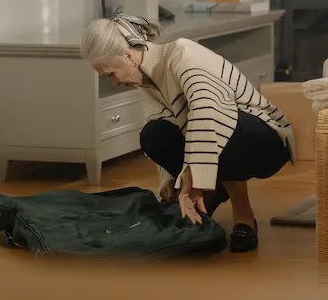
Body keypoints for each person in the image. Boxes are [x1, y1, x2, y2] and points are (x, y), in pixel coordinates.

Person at [80, 13, 296, 253]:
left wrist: (193, 179)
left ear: (128, 56)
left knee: (220, 122)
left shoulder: (182, 54)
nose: (115, 81)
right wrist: (172, 184)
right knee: (153, 134)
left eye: (110, 73)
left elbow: (209, 110)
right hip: (218, 133)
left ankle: (243, 213)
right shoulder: (146, 79)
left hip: (263, 137)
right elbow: (163, 123)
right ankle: (210, 191)